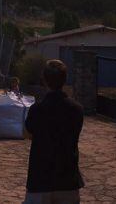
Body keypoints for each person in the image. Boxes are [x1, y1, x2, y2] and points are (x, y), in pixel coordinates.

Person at [23, 60, 84, 204]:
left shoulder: (37, 110)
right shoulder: (77, 110)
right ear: (64, 79)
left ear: (44, 81)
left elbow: (26, 133)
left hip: (40, 179)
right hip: (68, 178)